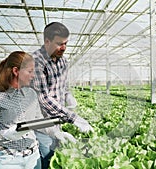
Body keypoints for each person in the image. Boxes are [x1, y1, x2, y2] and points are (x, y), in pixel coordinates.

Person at [31, 22, 94, 168]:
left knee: (58, 156)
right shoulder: (36, 62)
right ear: (47, 41)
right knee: (46, 157)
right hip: (40, 124)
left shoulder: (63, 61)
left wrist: (68, 95)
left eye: (66, 43)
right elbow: (43, 98)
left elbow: (63, 86)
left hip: (57, 122)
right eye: (59, 43)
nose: (64, 48)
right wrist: (74, 118)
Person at [0, 51, 44, 169]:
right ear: (16, 71)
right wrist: (6, 134)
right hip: (8, 160)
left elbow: (39, 120)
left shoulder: (32, 94)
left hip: (33, 156)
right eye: (30, 71)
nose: (33, 75)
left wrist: (57, 132)